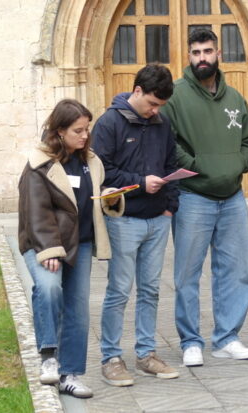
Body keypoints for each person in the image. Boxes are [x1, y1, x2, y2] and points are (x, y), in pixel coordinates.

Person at [161, 28, 248, 367]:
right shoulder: (175, 96)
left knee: (237, 270)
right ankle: (190, 341)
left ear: (219, 54)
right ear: (189, 56)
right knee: (187, 274)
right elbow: (168, 142)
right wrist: (198, 167)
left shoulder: (235, 98)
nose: (202, 58)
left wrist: (236, 166)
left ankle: (227, 338)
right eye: (196, 52)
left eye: (207, 51)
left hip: (233, 198)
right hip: (193, 197)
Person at [18, 99, 124, 398]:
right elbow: (36, 210)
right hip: (44, 242)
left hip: (81, 242)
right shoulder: (39, 163)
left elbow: (90, 198)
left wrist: (110, 197)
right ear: (60, 131)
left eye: (87, 129)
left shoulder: (90, 161)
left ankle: (70, 374)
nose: (85, 135)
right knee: (49, 288)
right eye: (78, 130)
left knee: (78, 309)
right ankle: (48, 356)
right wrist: (50, 249)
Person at [91, 63, 180, 386]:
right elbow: (102, 172)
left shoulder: (162, 123)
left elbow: (171, 165)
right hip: (124, 220)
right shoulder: (109, 123)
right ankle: (111, 358)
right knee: (119, 290)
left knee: (151, 290)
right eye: (152, 103)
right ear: (137, 91)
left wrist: (169, 207)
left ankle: (146, 354)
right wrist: (142, 183)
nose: (155, 111)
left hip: (158, 220)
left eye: (160, 106)